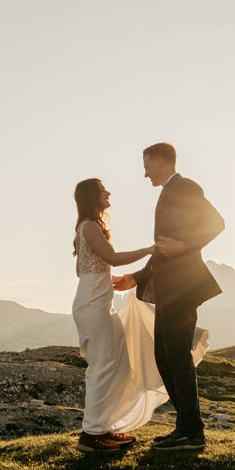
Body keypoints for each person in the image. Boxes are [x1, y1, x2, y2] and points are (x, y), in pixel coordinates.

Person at [114, 142, 225, 451]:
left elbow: (216, 223)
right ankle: (187, 426)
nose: (145, 172)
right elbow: (163, 247)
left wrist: (185, 246)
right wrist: (136, 277)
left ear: (161, 162)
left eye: (147, 165)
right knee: (165, 356)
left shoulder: (186, 187)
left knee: (176, 355)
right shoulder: (168, 191)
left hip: (183, 286)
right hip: (168, 288)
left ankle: (192, 432)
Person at [71, 178, 154, 451]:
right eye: (102, 189)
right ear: (91, 196)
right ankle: (91, 434)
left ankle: (104, 426)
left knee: (118, 363)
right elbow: (113, 258)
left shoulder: (86, 228)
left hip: (97, 301)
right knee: (103, 365)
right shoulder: (89, 226)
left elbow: (84, 270)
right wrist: (151, 250)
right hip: (93, 305)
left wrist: (107, 278)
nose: (108, 192)